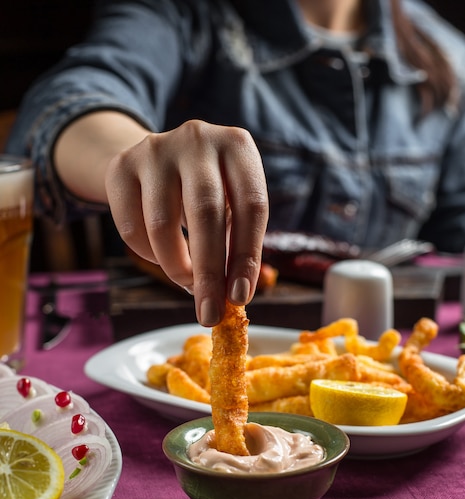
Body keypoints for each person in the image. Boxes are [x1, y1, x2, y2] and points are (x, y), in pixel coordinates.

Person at [6, 0, 465, 326]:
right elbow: (71, 100)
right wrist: (134, 158)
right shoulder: (181, 15)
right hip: (163, 338)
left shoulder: (450, 56)